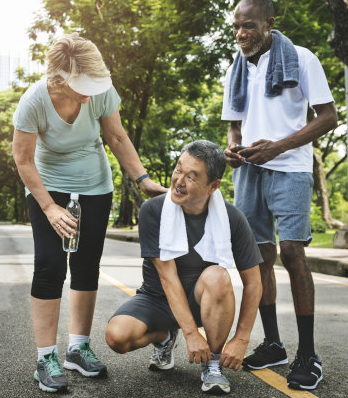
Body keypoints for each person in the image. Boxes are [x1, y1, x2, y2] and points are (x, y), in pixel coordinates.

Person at [12, 33, 166, 393]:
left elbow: (117, 137)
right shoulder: (33, 101)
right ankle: (45, 358)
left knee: (86, 265)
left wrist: (141, 179)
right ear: (58, 78)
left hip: (95, 185)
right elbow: (23, 159)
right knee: (50, 265)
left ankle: (77, 348)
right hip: (47, 185)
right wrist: (49, 206)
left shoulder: (100, 92)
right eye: (81, 86)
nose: (88, 93)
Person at [221, 0, 338, 391]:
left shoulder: (302, 58)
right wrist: (233, 148)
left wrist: (280, 146)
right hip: (250, 171)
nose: (240, 33)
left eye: (248, 26)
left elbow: (328, 117)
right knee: (258, 258)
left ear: (270, 23)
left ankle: (308, 353)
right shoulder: (236, 67)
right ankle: (273, 344)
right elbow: (235, 125)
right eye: (236, 26)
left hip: (290, 167)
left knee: (291, 251)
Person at [105, 140, 263, 395]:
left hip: (203, 302)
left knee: (217, 276)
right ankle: (165, 337)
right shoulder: (153, 210)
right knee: (117, 337)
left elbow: (254, 282)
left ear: (213, 186)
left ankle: (213, 361)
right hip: (158, 298)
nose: (179, 181)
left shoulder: (232, 217)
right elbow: (167, 278)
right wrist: (189, 333)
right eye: (179, 169)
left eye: (192, 176)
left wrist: (241, 338)